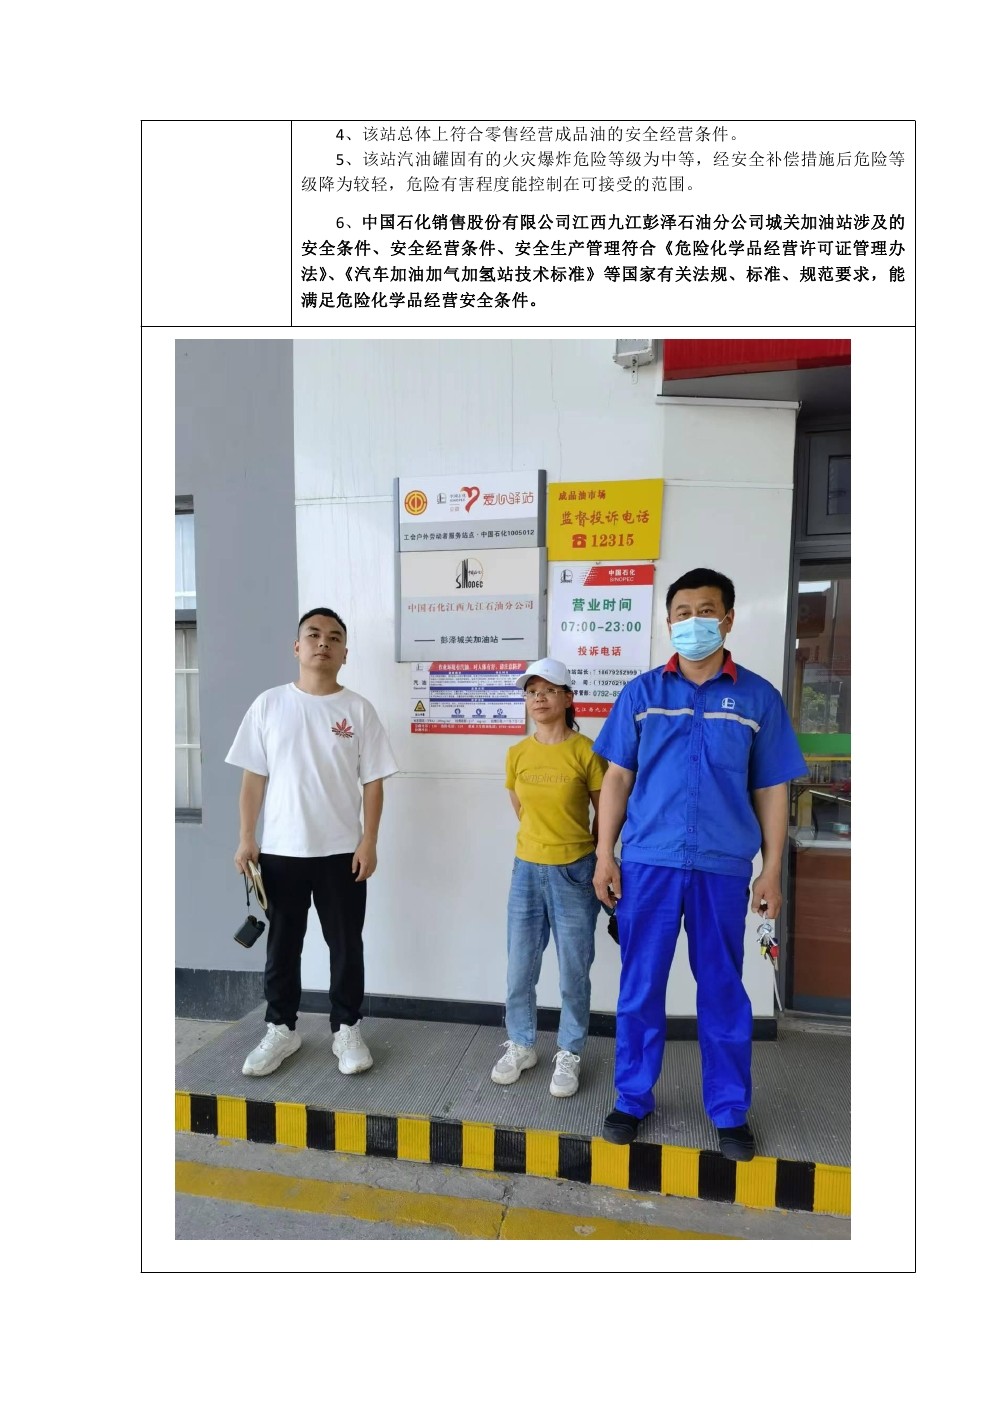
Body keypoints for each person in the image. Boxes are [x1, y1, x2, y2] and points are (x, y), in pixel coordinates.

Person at [592, 569, 806, 1160]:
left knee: (722, 989)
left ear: (728, 619)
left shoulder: (758, 698)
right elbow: (616, 779)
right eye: (682, 613)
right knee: (640, 986)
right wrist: (605, 855)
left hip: (722, 867)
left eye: (705, 611)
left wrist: (771, 869)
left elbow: (771, 789)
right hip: (648, 865)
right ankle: (632, 1097)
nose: (693, 622)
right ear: (668, 622)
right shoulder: (641, 694)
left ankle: (730, 1109)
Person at [226, 608, 398, 1078]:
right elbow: (253, 779)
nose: (324, 642)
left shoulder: (358, 710)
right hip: (281, 852)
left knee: (346, 945)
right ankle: (281, 1028)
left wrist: (369, 841)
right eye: (314, 635)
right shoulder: (269, 705)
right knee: (283, 946)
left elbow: (374, 782)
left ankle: (347, 1028)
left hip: (343, 853)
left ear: (345, 653)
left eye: (334, 637)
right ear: (297, 647)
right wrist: (246, 838)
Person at [492, 658, 607, 1098]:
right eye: (531, 691)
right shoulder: (517, 754)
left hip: (575, 870)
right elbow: (521, 809)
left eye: (548, 690)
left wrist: (599, 860)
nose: (538, 698)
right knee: (520, 965)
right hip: (526, 868)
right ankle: (521, 1044)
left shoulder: (587, 751)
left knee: (574, 969)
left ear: (568, 697)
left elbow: (605, 814)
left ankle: (570, 1050)